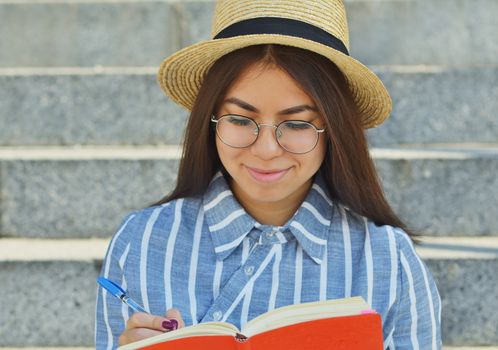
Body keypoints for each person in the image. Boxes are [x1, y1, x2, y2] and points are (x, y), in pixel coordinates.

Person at [95, 0, 442, 349]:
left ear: (333, 129)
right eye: (240, 120)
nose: (266, 150)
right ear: (210, 121)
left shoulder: (387, 258)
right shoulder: (141, 241)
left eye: (296, 123)